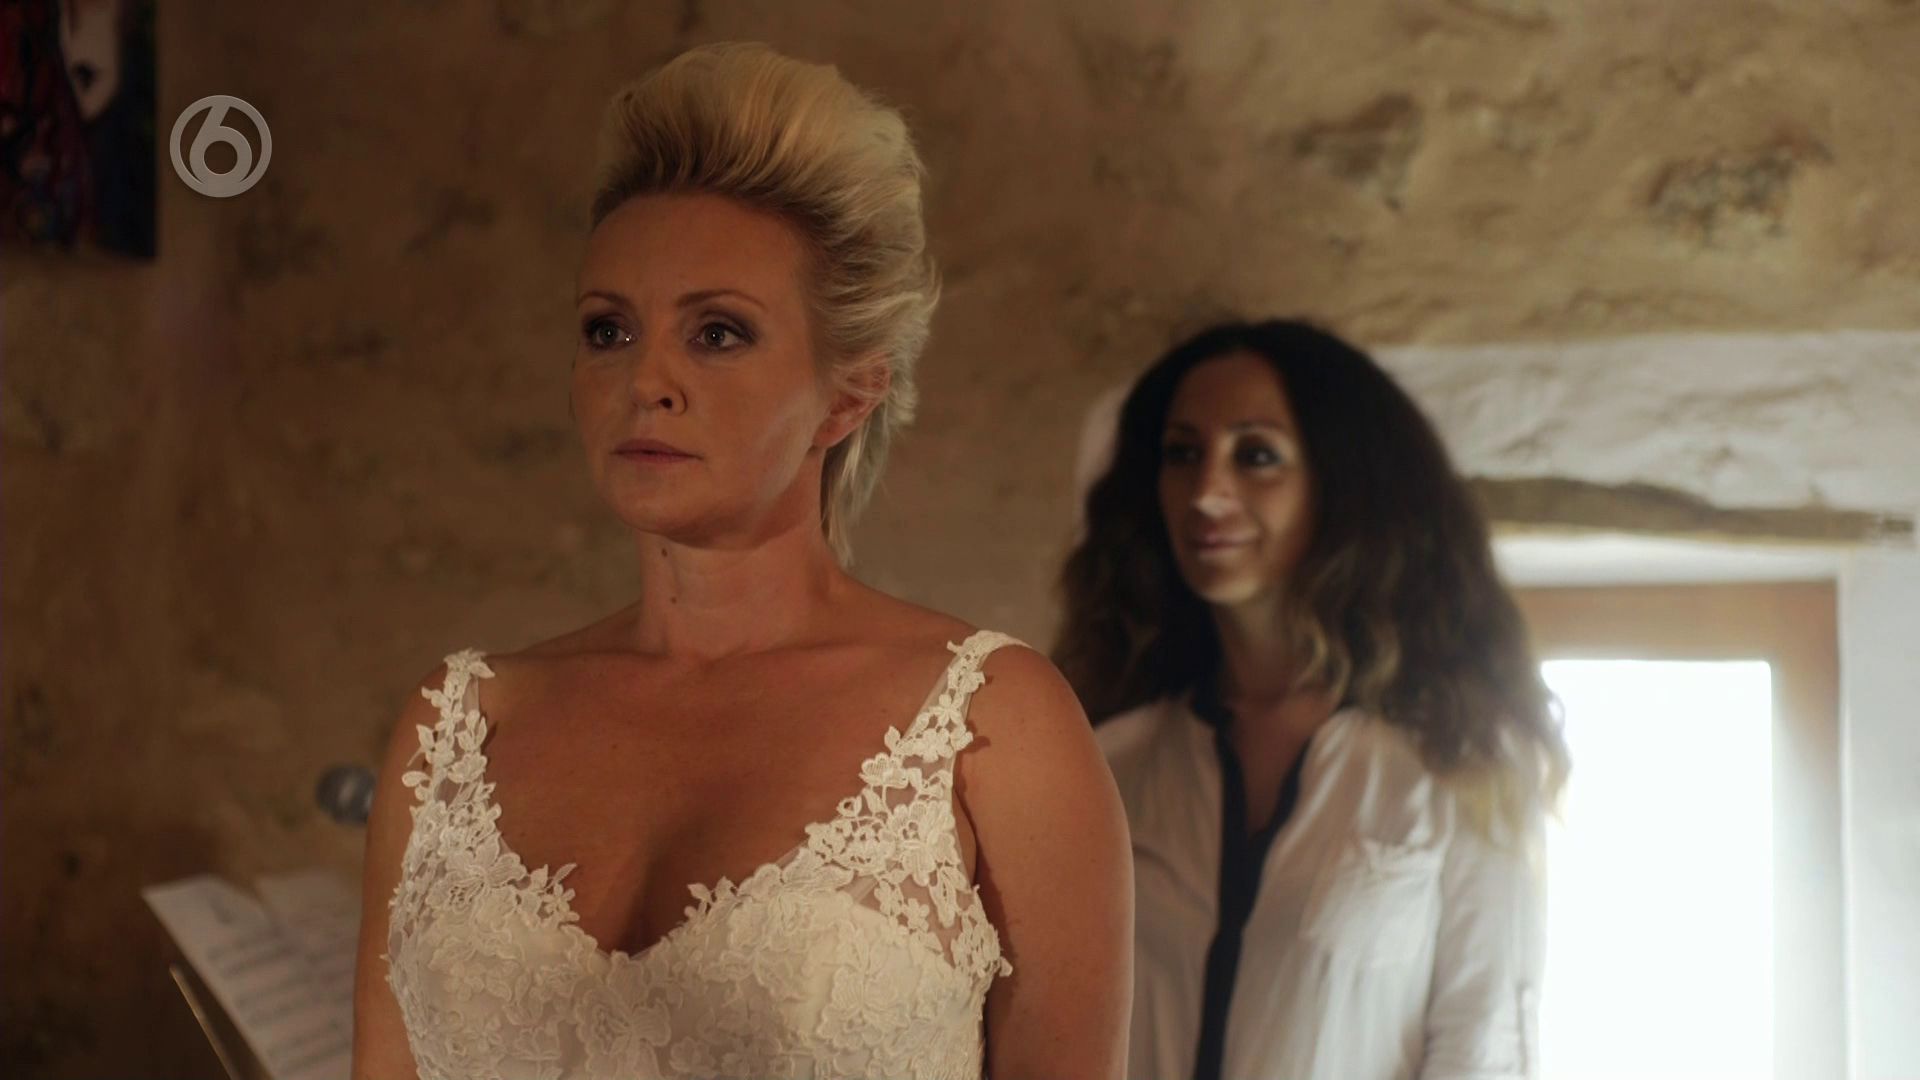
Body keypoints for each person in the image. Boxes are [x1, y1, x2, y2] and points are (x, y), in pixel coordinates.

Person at [350, 42, 1132, 1080]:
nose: (647, 381)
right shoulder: (455, 730)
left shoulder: (995, 727)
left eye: (717, 333)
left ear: (848, 394)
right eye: (607, 331)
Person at [1054, 319, 1570, 1080]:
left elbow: (1485, 1045)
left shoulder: (1463, 762)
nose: (1207, 492)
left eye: (1256, 455)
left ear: (1341, 483)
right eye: (1183, 454)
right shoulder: (1107, 760)